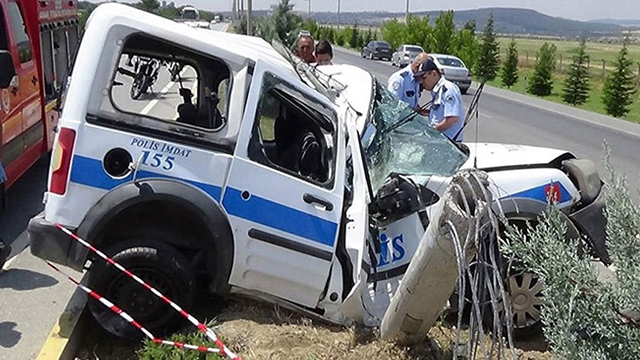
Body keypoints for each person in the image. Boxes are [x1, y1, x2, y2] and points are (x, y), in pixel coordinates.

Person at [415, 58, 465, 142]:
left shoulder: (448, 89)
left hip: (450, 143)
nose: (421, 82)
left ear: (434, 73)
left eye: (423, 77)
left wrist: (430, 132)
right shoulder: (437, 91)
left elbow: (451, 119)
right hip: (440, 141)